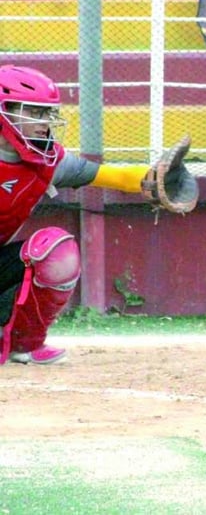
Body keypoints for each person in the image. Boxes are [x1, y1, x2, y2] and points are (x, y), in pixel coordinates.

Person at [0, 65, 186, 365]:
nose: (44, 123)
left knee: (55, 251)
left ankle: (24, 343)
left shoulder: (48, 162)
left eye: (47, 113)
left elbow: (106, 175)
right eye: (33, 112)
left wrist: (153, 180)